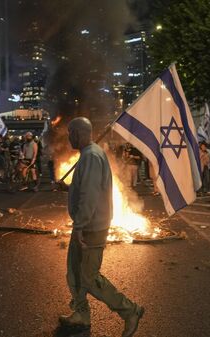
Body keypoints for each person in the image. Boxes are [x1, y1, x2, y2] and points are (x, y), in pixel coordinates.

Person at [60, 117, 144, 336]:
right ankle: (81, 314)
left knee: (89, 276)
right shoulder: (89, 155)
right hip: (86, 225)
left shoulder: (91, 156)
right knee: (74, 272)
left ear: (78, 132)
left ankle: (130, 310)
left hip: (91, 228)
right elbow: (84, 189)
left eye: (70, 132)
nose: (68, 137)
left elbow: (89, 196)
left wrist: (79, 226)